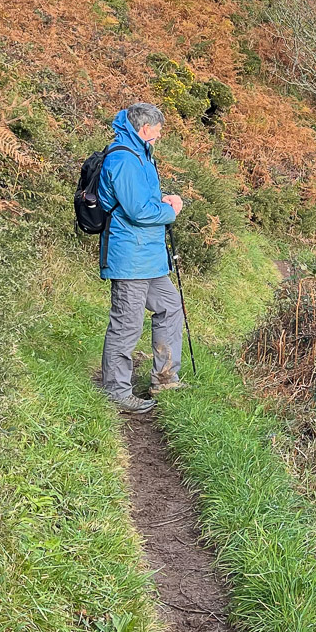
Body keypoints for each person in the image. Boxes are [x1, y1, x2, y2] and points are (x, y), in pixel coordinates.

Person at [97, 102, 186, 413]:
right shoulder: (123, 158)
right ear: (144, 128)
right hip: (130, 258)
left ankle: (165, 378)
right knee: (126, 325)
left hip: (147, 257)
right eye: (158, 129)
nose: (159, 135)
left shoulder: (139, 154)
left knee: (170, 307)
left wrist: (160, 199)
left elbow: (138, 200)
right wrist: (169, 210)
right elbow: (137, 211)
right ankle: (116, 392)